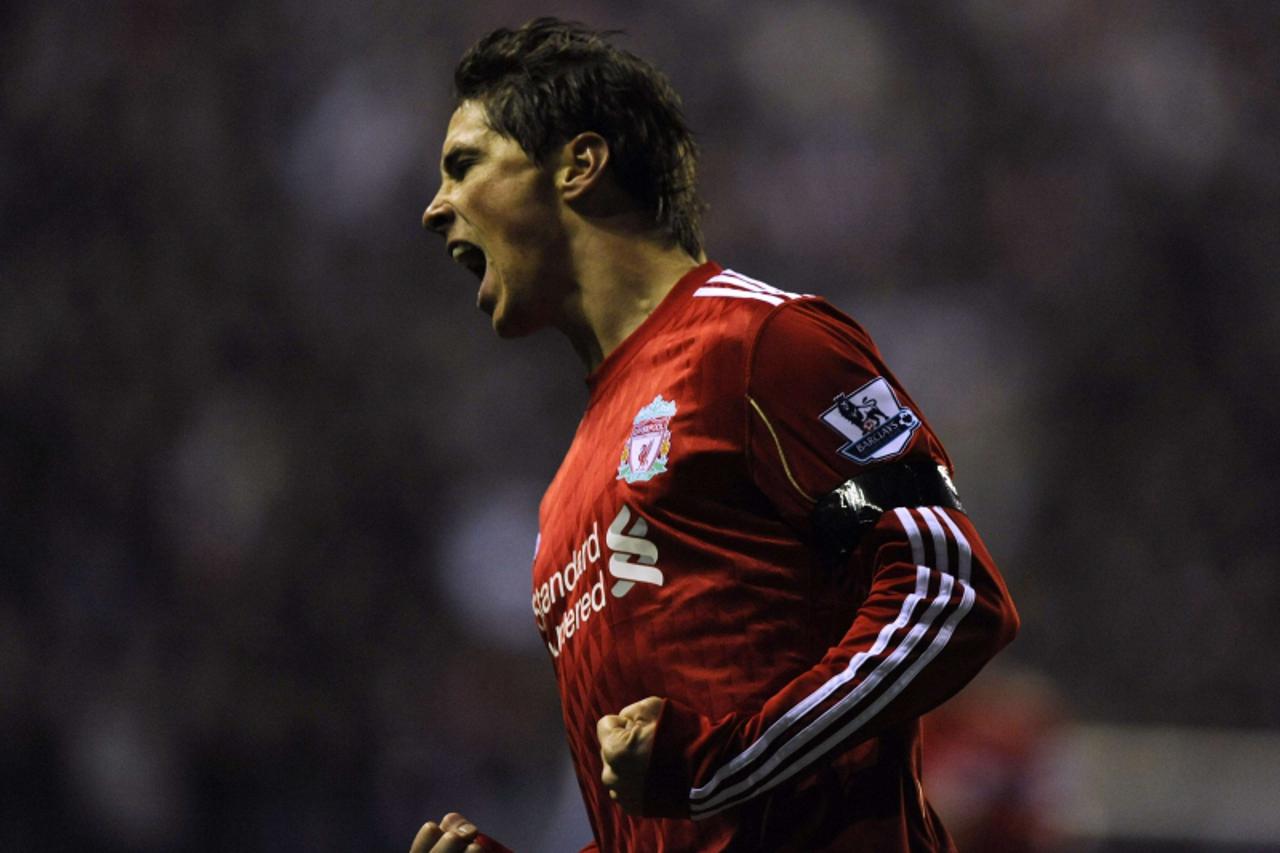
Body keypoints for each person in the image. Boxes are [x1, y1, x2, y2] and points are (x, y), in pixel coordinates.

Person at [414, 17, 1019, 853]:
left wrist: (714, 765)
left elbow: (949, 593)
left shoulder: (760, 343)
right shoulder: (561, 506)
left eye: (463, 165)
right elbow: (673, 826)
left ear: (579, 166)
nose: (435, 208)